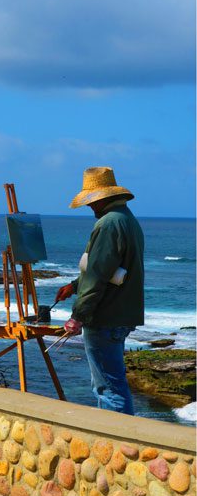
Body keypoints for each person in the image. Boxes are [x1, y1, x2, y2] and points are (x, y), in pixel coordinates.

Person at [55, 166, 144, 415]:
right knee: (108, 383)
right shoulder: (127, 219)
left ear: (102, 198)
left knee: (108, 388)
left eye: (91, 201)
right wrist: (74, 286)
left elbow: (97, 277)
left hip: (106, 316)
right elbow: (107, 269)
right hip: (122, 314)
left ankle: (120, 442)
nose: (89, 207)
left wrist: (78, 316)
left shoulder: (108, 224)